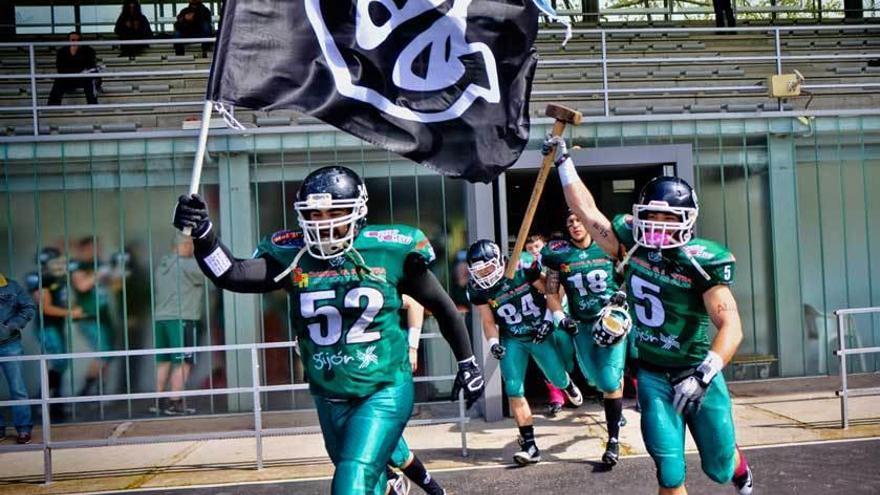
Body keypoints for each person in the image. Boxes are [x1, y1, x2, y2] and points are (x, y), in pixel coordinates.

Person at [172, 165, 484, 494]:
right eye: (315, 213)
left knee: (351, 482)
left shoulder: (388, 249)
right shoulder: (294, 255)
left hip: (384, 388)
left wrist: (467, 361)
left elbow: (443, 305)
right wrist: (204, 235)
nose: (325, 222)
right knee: (368, 481)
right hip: (329, 395)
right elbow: (231, 274)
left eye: (335, 211)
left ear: (357, 212)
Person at [545, 135, 754, 494]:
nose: (658, 224)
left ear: (686, 220)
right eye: (651, 215)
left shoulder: (700, 261)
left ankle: (740, 473)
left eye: (668, 216)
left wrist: (705, 373)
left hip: (696, 371)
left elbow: (730, 324)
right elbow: (587, 212)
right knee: (669, 473)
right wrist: (563, 163)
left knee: (719, 466)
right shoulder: (631, 245)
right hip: (655, 376)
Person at [466, 239, 582, 466]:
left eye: (488, 268)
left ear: (499, 261)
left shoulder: (522, 269)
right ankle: (530, 446)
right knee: (513, 388)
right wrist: (492, 343)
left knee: (557, 377)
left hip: (538, 331)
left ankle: (567, 385)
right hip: (513, 338)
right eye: (479, 271)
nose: (484, 275)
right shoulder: (477, 289)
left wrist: (549, 321)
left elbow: (553, 291)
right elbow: (488, 320)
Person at [541, 212, 629, 466]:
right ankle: (613, 388)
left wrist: (622, 297)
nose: (575, 225)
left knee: (610, 381)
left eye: (579, 220)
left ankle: (613, 441)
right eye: (569, 222)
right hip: (581, 325)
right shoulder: (559, 255)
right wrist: (560, 318)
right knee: (594, 379)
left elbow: (633, 276)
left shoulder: (609, 247)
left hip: (610, 319)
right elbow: (551, 293)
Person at [25, 247, 83, 420]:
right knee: (60, 362)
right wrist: (71, 313)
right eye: (55, 261)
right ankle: (42, 401)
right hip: (47, 327)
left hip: (57, 326)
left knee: (62, 364)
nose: (60, 263)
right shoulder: (40, 279)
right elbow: (45, 307)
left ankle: (55, 403)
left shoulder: (58, 277)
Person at [152, 234, 204, 416]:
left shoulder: (162, 265)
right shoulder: (188, 265)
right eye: (190, 244)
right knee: (183, 361)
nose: (192, 248)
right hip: (182, 319)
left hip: (161, 319)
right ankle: (175, 402)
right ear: (182, 245)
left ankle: (159, 402)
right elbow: (211, 275)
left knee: (163, 361)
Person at [71, 237, 114, 397]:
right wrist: (99, 273)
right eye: (93, 248)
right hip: (88, 317)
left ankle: (99, 392)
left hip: (104, 316)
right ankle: (85, 392)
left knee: (108, 355)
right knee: (104, 353)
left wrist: (110, 271)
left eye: (99, 247)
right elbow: (82, 286)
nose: (97, 251)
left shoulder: (99, 263)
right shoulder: (77, 264)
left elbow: (112, 284)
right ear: (84, 249)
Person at [0, 272, 36, 444]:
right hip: (10, 343)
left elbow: (29, 306)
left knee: (17, 388)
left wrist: (11, 326)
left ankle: (23, 429)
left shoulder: (11, 286)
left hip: (9, 344)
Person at [48, 31, 99, 106]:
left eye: (78, 40)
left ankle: (93, 105)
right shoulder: (62, 51)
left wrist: (76, 55)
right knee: (58, 80)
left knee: (90, 79)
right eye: (73, 40)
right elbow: (60, 68)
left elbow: (90, 66)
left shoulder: (89, 50)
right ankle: (52, 106)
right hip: (68, 78)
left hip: (83, 77)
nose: (75, 42)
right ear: (68, 41)